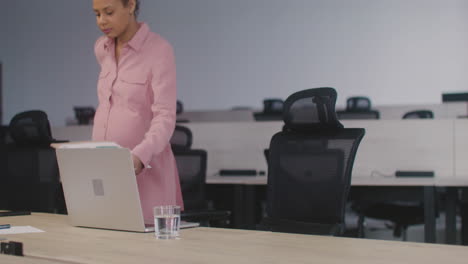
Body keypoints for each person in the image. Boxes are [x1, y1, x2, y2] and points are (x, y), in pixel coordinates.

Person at [92, 0, 183, 223]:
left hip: (145, 173)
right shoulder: (101, 48)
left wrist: (140, 156)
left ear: (130, 5)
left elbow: (165, 116)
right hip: (107, 173)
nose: (102, 21)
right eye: (96, 14)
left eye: (109, 12)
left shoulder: (159, 50)